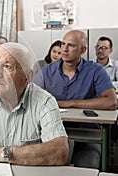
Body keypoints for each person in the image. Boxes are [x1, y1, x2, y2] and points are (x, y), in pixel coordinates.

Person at [32, 30, 116, 168]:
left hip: (87, 130)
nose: (64, 49)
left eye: (70, 45)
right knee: (45, 165)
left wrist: (71, 103)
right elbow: (31, 98)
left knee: (88, 165)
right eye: (63, 44)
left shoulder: (95, 70)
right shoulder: (47, 71)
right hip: (51, 128)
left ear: (83, 50)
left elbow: (111, 102)